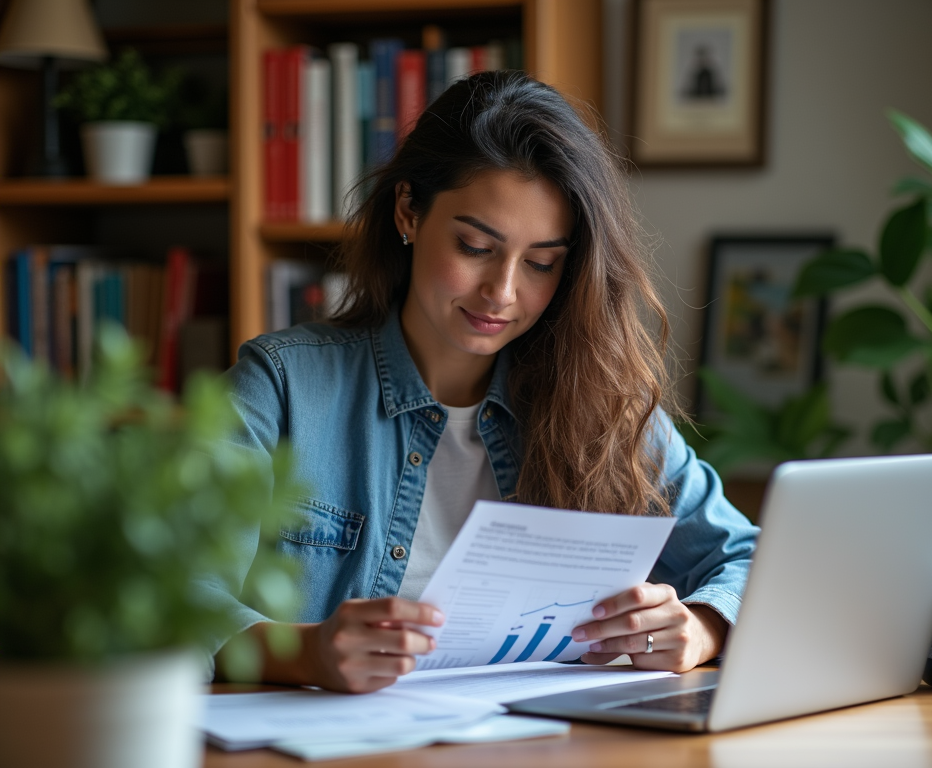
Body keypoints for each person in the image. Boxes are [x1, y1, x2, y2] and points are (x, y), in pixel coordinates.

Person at [206, 70, 758, 693]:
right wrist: (306, 654)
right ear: (408, 212)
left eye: (542, 263)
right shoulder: (283, 388)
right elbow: (178, 598)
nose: (502, 292)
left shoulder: (603, 408)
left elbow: (751, 557)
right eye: (474, 247)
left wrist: (703, 626)